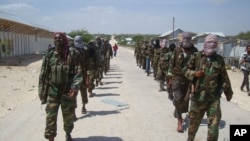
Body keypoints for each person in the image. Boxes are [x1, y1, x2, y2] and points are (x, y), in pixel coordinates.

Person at [185, 34, 233, 141]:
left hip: (213, 99)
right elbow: (186, 71)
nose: (212, 45)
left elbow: (224, 78)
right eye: (210, 42)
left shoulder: (219, 60)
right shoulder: (196, 57)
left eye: (214, 43)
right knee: (193, 124)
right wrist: (194, 73)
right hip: (198, 98)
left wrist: (228, 93)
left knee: (214, 127)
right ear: (205, 44)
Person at [38, 32, 83, 141]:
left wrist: (75, 87)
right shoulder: (49, 55)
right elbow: (43, 75)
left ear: (65, 40)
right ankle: (51, 137)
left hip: (67, 93)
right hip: (52, 92)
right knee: (50, 118)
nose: (58, 40)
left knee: (68, 118)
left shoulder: (73, 54)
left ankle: (68, 133)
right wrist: (41, 91)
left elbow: (78, 72)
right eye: (56, 38)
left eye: (60, 38)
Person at [167, 32, 198, 132]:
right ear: (182, 40)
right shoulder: (177, 50)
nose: (186, 40)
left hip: (189, 80)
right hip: (177, 78)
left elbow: (197, 67)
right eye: (184, 39)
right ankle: (179, 121)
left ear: (191, 40)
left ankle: (183, 113)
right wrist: (169, 78)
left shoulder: (195, 51)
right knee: (178, 99)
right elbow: (171, 65)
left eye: (188, 39)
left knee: (186, 100)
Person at [73, 35, 89, 115]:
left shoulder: (84, 50)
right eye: (77, 41)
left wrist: (87, 75)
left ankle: (83, 107)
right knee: (74, 93)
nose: (78, 43)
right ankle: (74, 111)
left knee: (83, 91)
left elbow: (87, 63)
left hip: (83, 74)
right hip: (74, 76)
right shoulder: (71, 51)